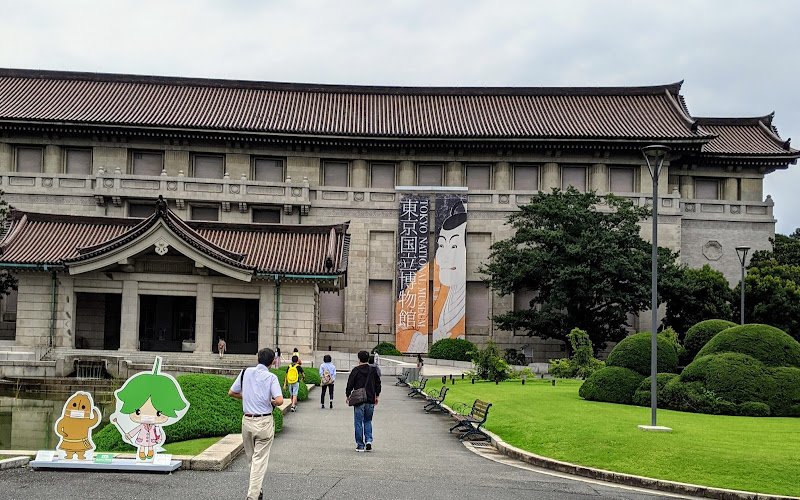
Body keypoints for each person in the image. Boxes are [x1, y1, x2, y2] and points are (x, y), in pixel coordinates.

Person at [228, 348, 284, 500]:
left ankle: (257, 491)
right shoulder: (271, 377)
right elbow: (279, 400)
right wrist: (270, 401)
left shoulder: (245, 372)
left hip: (247, 420)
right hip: (264, 421)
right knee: (259, 460)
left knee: (251, 458)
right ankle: (252, 496)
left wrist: (247, 397)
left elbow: (231, 392)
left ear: (257, 358)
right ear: (272, 362)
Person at [346, 350, 381, 452]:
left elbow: (350, 384)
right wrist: (377, 395)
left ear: (359, 359)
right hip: (370, 399)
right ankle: (369, 440)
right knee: (368, 420)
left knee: (358, 422)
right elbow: (378, 383)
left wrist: (347, 395)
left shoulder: (356, 370)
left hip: (359, 400)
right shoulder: (373, 370)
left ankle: (360, 445)